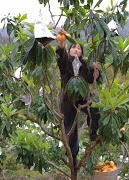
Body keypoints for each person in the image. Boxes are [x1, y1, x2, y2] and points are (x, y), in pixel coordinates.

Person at [56, 27, 101, 169]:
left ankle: (93, 132)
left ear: (82, 52)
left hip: (82, 98)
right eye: (73, 47)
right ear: (70, 51)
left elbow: (90, 79)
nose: (76, 50)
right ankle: (73, 157)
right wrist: (62, 42)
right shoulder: (66, 62)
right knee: (71, 130)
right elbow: (60, 57)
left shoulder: (84, 65)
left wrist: (95, 69)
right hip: (68, 100)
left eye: (79, 48)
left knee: (94, 110)